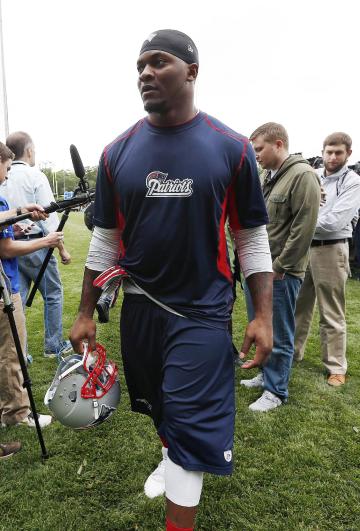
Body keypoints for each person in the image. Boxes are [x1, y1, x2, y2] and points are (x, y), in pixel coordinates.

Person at [70, 29, 273, 531]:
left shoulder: (230, 147)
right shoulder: (118, 151)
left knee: (189, 424)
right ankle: (169, 452)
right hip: (140, 307)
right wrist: (82, 311)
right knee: (161, 411)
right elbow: (104, 240)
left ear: (192, 71)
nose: (145, 73)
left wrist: (263, 314)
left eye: (158, 62)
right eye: (140, 64)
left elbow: (250, 238)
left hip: (201, 313)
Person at [240, 123, 320, 411]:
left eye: (259, 149)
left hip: (281, 273)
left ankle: (276, 391)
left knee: (280, 333)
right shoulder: (268, 177)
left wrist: (280, 266)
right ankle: (266, 375)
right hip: (261, 270)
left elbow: (303, 229)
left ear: (278, 144)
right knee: (262, 327)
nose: (255, 155)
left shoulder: (303, 175)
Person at [0, 141, 63, 428]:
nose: (7, 175)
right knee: (12, 353)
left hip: (9, 280)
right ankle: (18, 413)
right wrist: (46, 241)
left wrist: (16, 220)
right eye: (6, 168)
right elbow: (6, 249)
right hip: (5, 286)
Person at [294, 132, 360, 386]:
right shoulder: (313, 175)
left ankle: (336, 367)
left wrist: (302, 221)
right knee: (298, 306)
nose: (332, 157)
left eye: (338, 152)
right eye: (329, 152)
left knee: (331, 311)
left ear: (348, 154)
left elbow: (335, 222)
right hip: (304, 247)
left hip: (332, 249)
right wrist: (303, 220)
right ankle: (292, 353)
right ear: (322, 151)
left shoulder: (353, 181)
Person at [1, 131, 72, 358]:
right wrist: (61, 249)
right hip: (34, 245)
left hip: (11, 247)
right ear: (30, 150)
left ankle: (20, 352)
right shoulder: (35, 175)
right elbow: (49, 217)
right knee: (53, 293)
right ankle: (53, 346)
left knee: (16, 298)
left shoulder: (6, 177)